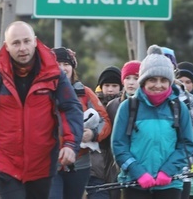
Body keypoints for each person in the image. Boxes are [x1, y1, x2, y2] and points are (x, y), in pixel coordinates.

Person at [0, 21, 84, 199]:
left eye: (26, 41)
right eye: (16, 43)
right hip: (6, 165)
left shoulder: (53, 73)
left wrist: (70, 144)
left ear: (35, 41)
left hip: (42, 164)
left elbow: (71, 108)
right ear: (7, 46)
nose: (22, 48)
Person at [111, 45, 193, 199]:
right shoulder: (128, 107)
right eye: (152, 79)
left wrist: (168, 170)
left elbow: (187, 144)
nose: (158, 85)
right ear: (143, 81)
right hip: (134, 183)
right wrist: (138, 172)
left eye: (164, 80)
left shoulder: (179, 107)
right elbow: (118, 145)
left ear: (170, 81)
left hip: (170, 184)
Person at [48, 47, 111, 199]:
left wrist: (93, 134)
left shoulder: (85, 93)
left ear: (73, 67)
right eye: (58, 64)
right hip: (49, 162)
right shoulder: (42, 91)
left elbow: (105, 122)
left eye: (66, 64)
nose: (63, 68)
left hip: (79, 164)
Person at [162, 49, 193, 199]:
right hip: (147, 175)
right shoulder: (135, 103)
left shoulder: (188, 100)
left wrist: (188, 161)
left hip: (181, 172)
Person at [105, 60, 141, 199]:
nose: (131, 82)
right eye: (127, 78)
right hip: (116, 166)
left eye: (136, 78)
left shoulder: (146, 105)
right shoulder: (113, 106)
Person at [88, 66, 123, 199]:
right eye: (107, 85)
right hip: (96, 166)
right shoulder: (93, 105)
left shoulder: (125, 105)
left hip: (117, 167)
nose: (110, 89)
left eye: (114, 85)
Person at [175, 61, 193, 199]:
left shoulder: (191, 103)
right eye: (180, 80)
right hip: (179, 170)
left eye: (188, 81)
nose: (184, 84)